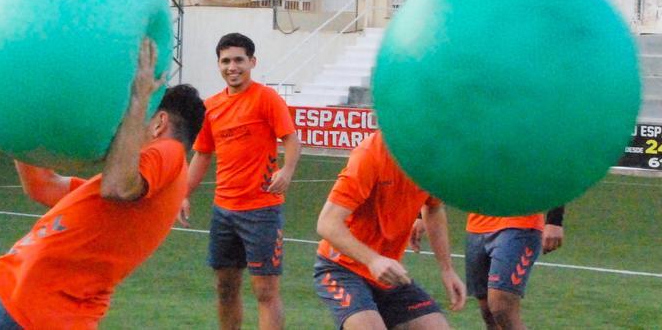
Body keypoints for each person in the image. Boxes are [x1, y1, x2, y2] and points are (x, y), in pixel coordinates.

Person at [0, 39, 206, 329]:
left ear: (159, 123)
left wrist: (138, 98)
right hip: (21, 299)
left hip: (36, 308)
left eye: (145, 117)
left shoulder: (170, 154)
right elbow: (43, 185)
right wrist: (21, 121)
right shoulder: (139, 182)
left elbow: (117, 186)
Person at [179, 32, 302, 330]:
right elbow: (202, 155)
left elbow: (291, 139)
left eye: (238, 60)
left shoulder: (266, 98)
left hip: (262, 211)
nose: (232, 67)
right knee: (225, 289)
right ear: (218, 65)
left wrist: (286, 171)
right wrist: (182, 193)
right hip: (224, 213)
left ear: (252, 62)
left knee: (265, 292)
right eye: (225, 61)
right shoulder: (211, 107)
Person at [314, 131, 466, 330]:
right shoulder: (370, 154)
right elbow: (327, 223)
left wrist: (447, 269)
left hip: (387, 276)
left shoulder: (431, 158)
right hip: (341, 268)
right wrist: (373, 260)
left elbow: (434, 207)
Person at [458, 208, 565, 330]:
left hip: (520, 223)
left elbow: (555, 187)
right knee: (488, 313)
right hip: (477, 224)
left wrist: (555, 220)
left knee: (501, 306)